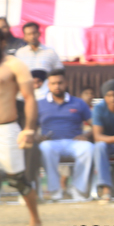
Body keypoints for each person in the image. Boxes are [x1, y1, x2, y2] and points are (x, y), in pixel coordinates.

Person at [0, 27, 40, 226]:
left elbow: (29, 98)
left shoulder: (15, 65)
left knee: (19, 182)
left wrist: (29, 129)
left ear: (2, 44)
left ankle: (35, 219)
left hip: (6, 130)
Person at [38, 70, 93, 201]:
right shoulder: (39, 104)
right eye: (53, 83)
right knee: (44, 148)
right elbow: (30, 127)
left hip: (74, 142)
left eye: (60, 83)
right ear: (48, 85)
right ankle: (55, 190)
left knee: (89, 148)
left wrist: (87, 135)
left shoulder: (78, 103)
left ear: (66, 83)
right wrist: (38, 137)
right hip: (51, 143)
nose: (57, 86)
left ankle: (78, 190)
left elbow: (95, 125)